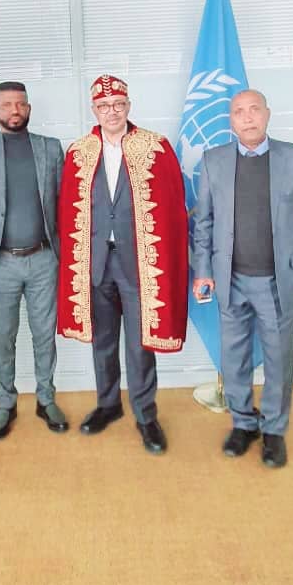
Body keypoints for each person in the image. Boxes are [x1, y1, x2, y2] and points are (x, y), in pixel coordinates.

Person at [57, 74, 188, 453]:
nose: (111, 112)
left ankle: (146, 415)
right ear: (94, 109)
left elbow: (173, 210)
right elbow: (67, 213)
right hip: (95, 262)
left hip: (142, 264)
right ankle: (108, 404)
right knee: (103, 339)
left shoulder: (155, 147)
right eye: (103, 106)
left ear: (128, 106)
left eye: (117, 105)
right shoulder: (78, 152)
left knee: (139, 344)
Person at [193, 89, 293, 468]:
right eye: (239, 112)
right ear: (231, 121)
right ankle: (243, 424)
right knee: (234, 358)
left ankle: (274, 431)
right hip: (230, 280)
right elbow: (204, 222)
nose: (247, 117)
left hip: (279, 283)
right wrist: (203, 271)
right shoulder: (213, 160)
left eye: (254, 110)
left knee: (278, 360)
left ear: (267, 114)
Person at [0, 82, 68, 438]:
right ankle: (5, 402)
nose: (14, 110)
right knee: (2, 337)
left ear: (29, 108)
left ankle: (46, 398)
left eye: (20, 104)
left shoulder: (50, 148)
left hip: (44, 260)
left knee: (44, 335)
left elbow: (65, 205)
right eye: (6, 104)